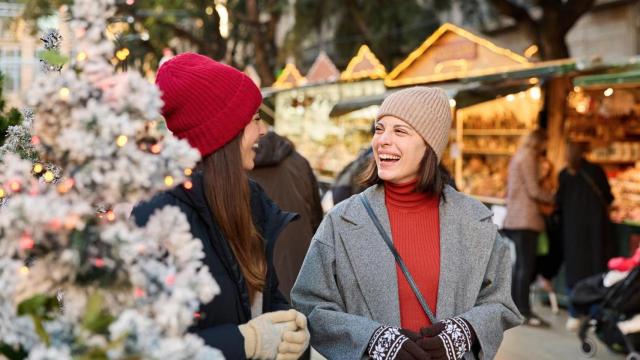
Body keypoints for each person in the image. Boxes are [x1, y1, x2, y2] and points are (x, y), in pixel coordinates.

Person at [291, 87, 521, 360]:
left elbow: (499, 302)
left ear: (429, 145)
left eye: (400, 131)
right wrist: (371, 340)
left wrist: (465, 331)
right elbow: (310, 304)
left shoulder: (475, 220)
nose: (382, 141)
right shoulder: (341, 221)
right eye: (379, 129)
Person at [132, 53, 309, 360]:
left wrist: (292, 333)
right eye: (254, 119)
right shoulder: (158, 219)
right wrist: (244, 342)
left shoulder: (252, 202)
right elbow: (146, 344)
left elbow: (268, 296)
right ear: (224, 133)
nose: (263, 130)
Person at [248, 130, 323, 302]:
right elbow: (316, 219)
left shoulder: (234, 167)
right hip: (302, 271)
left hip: (256, 280)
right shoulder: (299, 162)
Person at [556, 141, 614, 331]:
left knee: (574, 273)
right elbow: (608, 196)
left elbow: (558, 203)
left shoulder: (564, 175)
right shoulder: (596, 171)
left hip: (572, 231)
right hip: (596, 231)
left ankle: (574, 314)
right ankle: (594, 316)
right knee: (596, 272)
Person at [502, 129, 554, 327]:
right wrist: (553, 198)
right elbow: (534, 190)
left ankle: (515, 306)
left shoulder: (519, 155)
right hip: (525, 218)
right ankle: (523, 309)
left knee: (520, 266)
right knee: (526, 266)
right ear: (539, 142)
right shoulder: (529, 157)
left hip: (516, 217)